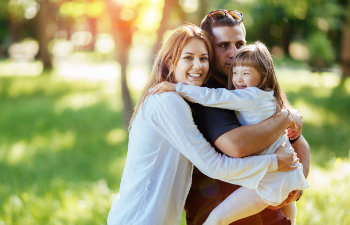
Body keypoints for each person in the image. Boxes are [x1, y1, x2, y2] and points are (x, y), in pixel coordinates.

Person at [107, 23, 299, 225]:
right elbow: (214, 165)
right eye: (188, 57)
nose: (198, 66)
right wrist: (275, 162)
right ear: (171, 62)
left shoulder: (182, 99)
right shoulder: (168, 102)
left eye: (203, 58)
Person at [151, 41, 309, 225]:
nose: (238, 79)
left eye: (245, 74)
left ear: (263, 75)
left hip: (269, 178)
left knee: (218, 218)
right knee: (290, 218)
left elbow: (214, 97)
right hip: (285, 174)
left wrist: (177, 87)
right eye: (235, 73)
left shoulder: (250, 96)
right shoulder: (271, 97)